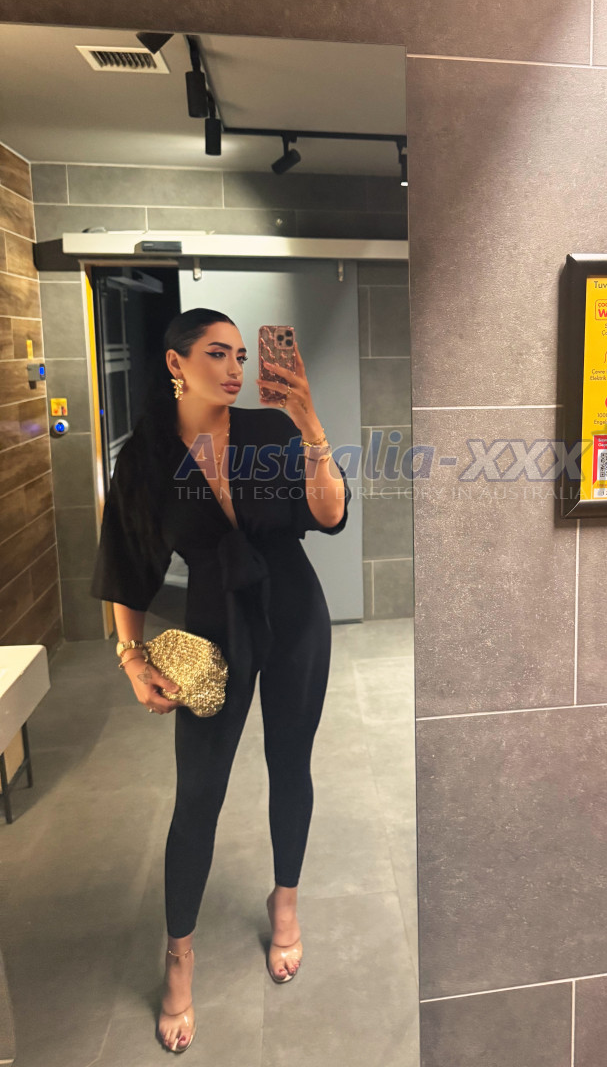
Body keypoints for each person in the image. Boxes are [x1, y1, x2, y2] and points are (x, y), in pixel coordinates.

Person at [89, 307, 351, 1053]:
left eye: (240, 354)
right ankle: (180, 956)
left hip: (294, 610)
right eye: (217, 353)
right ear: (177, 364)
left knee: (290, 764)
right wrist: (131, 658)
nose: (236, 368)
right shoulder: (146, 458)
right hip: (212, 625)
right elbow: (127, 564)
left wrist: (310, 425)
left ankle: (285, 902)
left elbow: (330, 515)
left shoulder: (272, 432)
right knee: (198, 793)